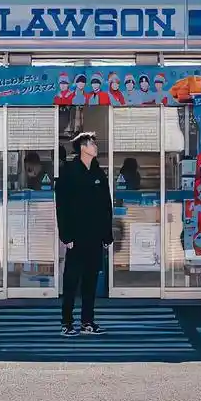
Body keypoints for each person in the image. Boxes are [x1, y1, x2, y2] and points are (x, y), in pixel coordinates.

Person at [55, 131, 113, 336]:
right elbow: (61, 205)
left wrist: (107, 234)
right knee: (71, 280)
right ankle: (67, 323)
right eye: (91, 144)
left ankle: (88, 321)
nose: (95, 147)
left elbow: (107, 204)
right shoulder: (69, 171)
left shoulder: (98, 172)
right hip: (76, 236)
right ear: (82, 148)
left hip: (95, 236)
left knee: (90, 280)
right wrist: (66, 235)